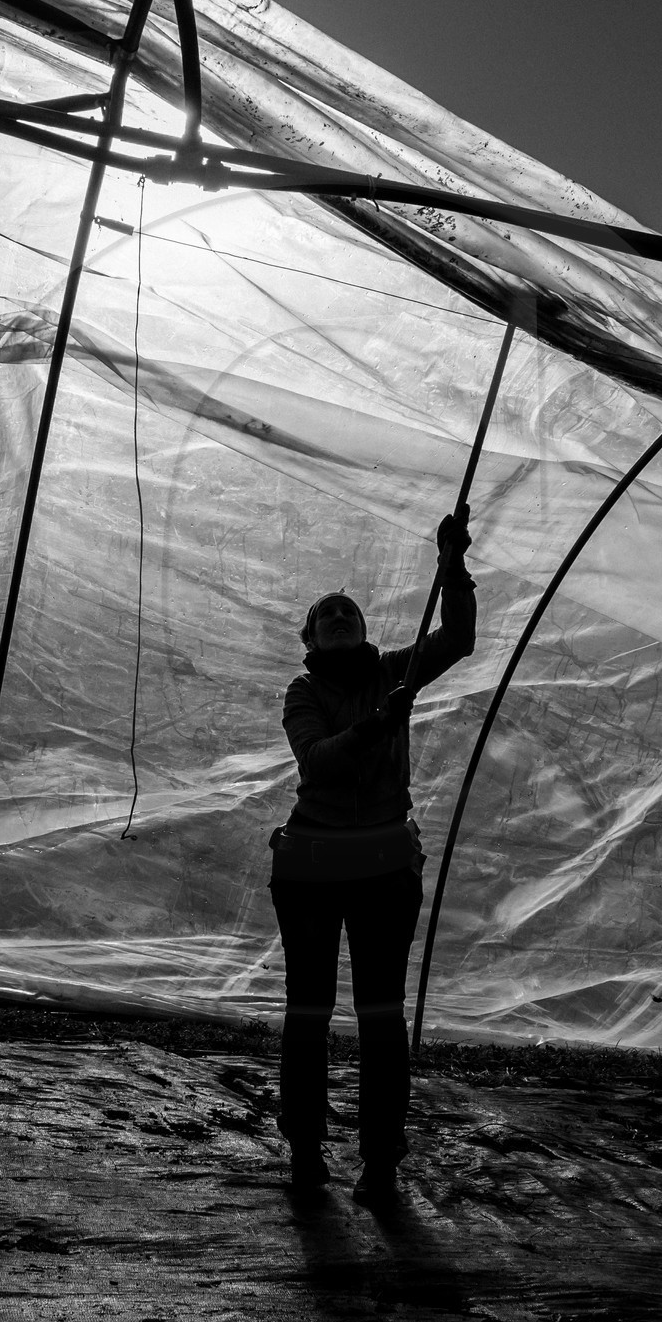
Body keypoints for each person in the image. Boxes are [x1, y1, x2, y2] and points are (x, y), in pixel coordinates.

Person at [271, 508, 477, 1207]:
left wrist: (452, 570)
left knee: (381, 1014)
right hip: (312, 871)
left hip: (384, 868)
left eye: (346, 610)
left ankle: (381, 1158)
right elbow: (320, 763)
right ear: (310, 638)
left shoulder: (396, 671)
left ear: (362, 630)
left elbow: (460, 637)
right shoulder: (303, 693)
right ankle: (304, 1149)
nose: (336, 614)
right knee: (309, 1010)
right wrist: (377, 723)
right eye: (325, 613)